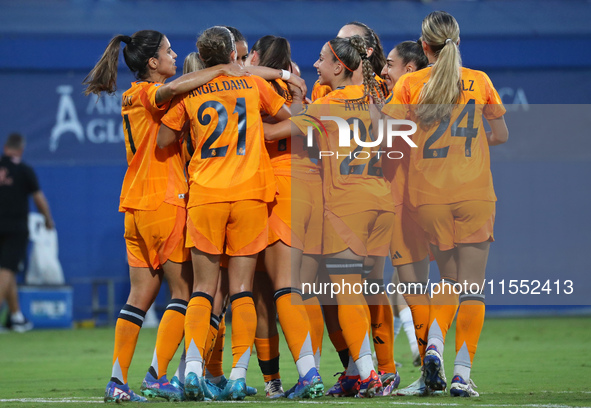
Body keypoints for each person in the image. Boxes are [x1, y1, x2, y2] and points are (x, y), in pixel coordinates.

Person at [83, 29, 244, 403]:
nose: (175, 56)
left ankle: (117, 381)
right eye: (168, 51)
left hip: (134, 206)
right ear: (152, 63)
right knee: (186, 293)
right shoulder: (148, 93)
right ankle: (156, 375)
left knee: (139, 294)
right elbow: (171, 90)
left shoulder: (128, 96)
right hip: (164, 201)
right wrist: (222, 67)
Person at [156, 26, 297, 401]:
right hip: (250, 193)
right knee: (242, 290)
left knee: (202, 289)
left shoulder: (188, 90)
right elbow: (286, 116)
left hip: (206, 195)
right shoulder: (252, 86)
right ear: (234, 53)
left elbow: (164, 140)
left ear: (201, 58)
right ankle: (237, 375)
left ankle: (191, 368)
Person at [382, 11, 508, 398]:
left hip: (428, 199)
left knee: (448, 281)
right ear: (456, 41)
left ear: (424, 47)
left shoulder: (410, 83)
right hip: (474, 194)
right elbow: (500, 134)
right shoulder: (479, 81)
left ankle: (433, 345)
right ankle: (461, 373)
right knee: (472, 287)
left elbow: (389, 140)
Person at [265, 35, 394, 398]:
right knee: (363, 290)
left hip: (348, 205)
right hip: (382, 202)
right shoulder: (376, 100)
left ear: (340, 67)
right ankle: (358, 372)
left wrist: (233, 116)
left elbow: (274, 131)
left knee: (346, 293)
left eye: (322, 60)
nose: (317, 65)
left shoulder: (326, 107)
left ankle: (369, 375)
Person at [246, 34, 324, 400]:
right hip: (304, 187)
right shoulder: (295, 87)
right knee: (284, 289)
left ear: (257, 56)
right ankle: (288, 378)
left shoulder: (250, 83)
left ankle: (303, 374)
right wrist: (296, 90)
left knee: (277, 290)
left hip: (274, 187)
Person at [380, 40, 429, 376]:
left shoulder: (403, 100)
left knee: (406, 280)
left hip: (401, 199)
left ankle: (417, 353)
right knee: (406, 280)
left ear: (409, 70)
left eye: (390, 64)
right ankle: (417, 350)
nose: (385, 70)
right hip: (429, 198)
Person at [0, 133, 54, 333]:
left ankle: (16, 317)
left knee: (8, 272)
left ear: (5, 148)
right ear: (20, 150)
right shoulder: (24, 170)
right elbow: (39, 199)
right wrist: (48, 219)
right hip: (15, 228)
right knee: (6, 270)